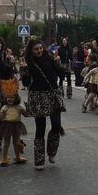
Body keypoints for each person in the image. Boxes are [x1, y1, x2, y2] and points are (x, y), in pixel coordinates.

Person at [20, 38, 66, 170]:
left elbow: (61, 74)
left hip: (53, 95)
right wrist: (24, 71)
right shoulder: (28, 62)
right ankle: (39, 160)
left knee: (56, 125)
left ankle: (51, 152)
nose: (39, 51)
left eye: (40, 48)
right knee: (40, 128)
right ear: (31, 50)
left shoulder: (50, 58)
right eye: (36, 49)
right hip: (37, 96)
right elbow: (26, 83)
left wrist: (58, 63)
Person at [0, 87, 28, 167]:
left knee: (16, 143)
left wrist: (28, 108)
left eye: (12, 97)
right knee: (6, 143)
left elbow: (26, 115)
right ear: (5, 98)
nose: (9, 99)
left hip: (17, 126)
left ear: (16, 98)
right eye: (8, 97)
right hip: (6, 126)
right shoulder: (4, 107)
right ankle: (4, 158)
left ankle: (18, 157)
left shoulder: (19, 106)